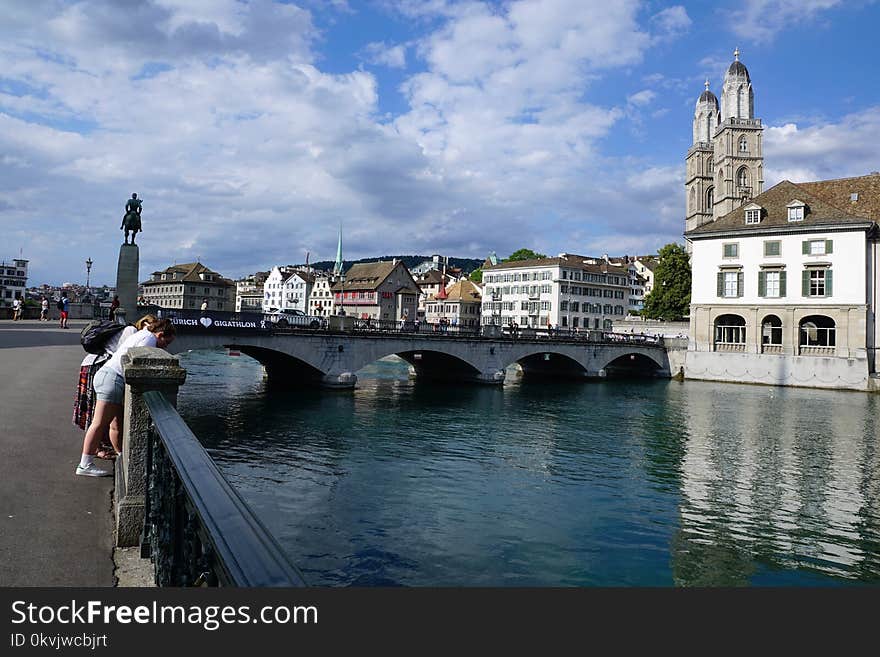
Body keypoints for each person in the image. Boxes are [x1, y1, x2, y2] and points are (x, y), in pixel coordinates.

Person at [75, 318, 175, 476]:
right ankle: (85, 464)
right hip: (113, 379)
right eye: (167, 342)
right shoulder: (149, 339)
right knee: (99, 424)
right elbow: (142, 364)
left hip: (107, 376)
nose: (166, 347)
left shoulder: (142, 333)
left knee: (114, 424)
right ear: (161, 334)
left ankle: (119, 455)